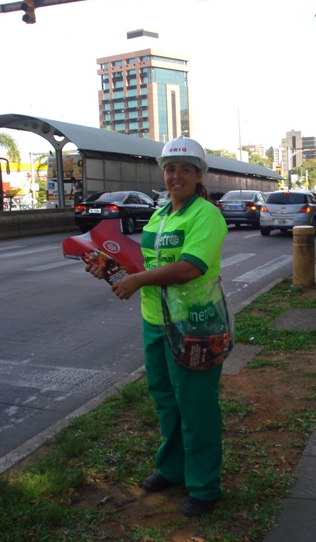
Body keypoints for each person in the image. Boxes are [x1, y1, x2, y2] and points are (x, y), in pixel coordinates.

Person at [86, 136, 228, 518]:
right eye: (169, 168)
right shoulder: (159, 215)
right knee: (165, 398)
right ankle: (172, 468)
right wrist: (110, 269)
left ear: (199, 175)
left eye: (184, 169)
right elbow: (142, 264)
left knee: (196, 405)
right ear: (163, 174)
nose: (175, 175)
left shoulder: (206, 215)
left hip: (194, 324)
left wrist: (138, 282)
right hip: (155, 322)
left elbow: (189, 267)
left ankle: (204, 485)